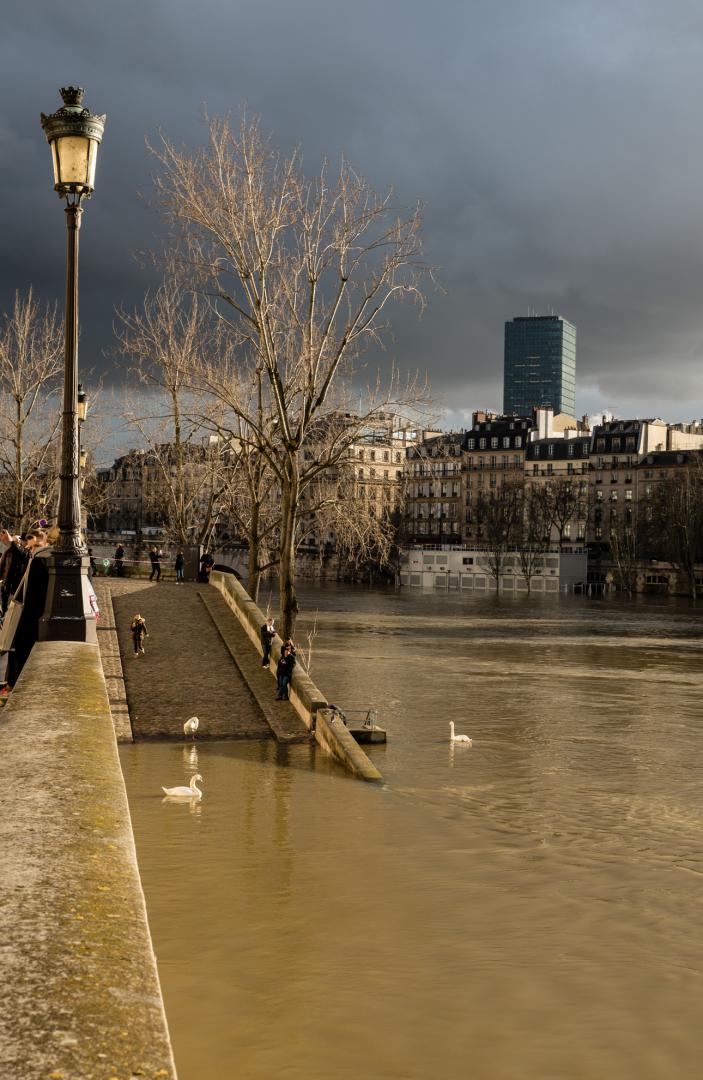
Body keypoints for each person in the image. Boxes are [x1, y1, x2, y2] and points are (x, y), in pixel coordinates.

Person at [6, 530, 50, 687]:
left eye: (36, 546)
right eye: (30, 548)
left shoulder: (40, 561)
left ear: (46, 545)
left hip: (31, 616)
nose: (32, 550)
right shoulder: (32, 559)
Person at [0, 529, 29, 614]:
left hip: (14, 584)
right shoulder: (9, 552)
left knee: (11, 607)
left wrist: (11, 541)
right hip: (7, 583)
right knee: (5, 605)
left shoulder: (23, 552)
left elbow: (17, 552)